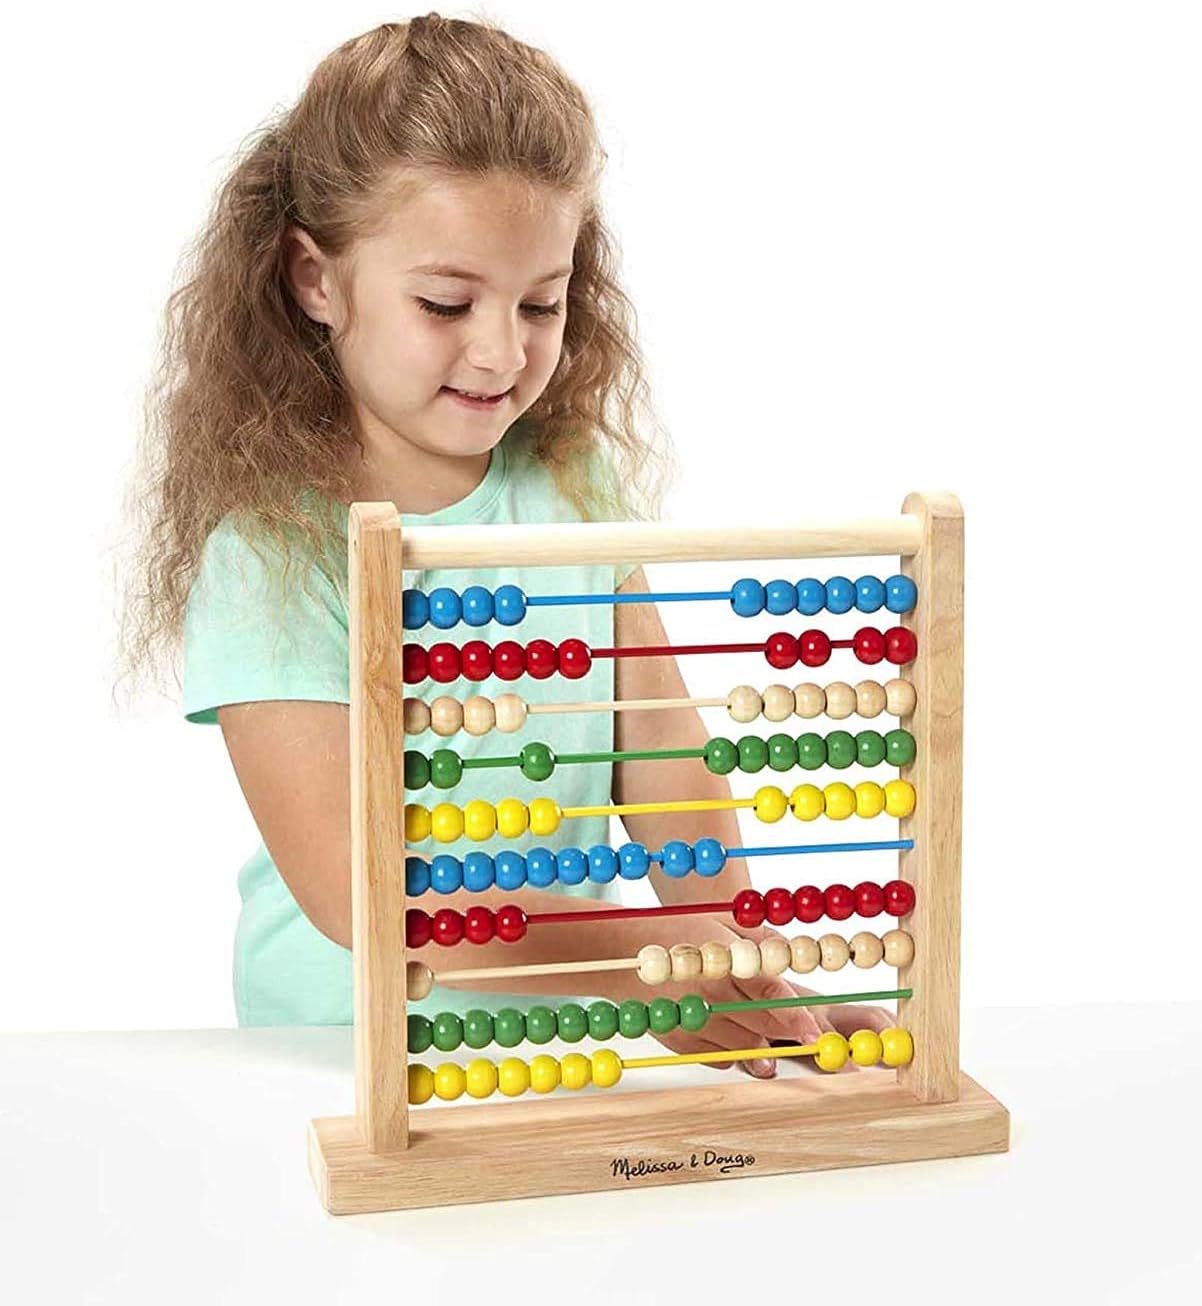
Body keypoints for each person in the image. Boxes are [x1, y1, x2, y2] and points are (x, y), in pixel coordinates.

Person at [117, 14, 892, 1080]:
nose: (501, 350)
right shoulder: (273, 553)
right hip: (338, 1051)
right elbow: (353, 889)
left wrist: (736, 966)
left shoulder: (572, 484)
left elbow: (667, 763)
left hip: (559, 1037)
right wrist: (635, 957)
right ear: (315, 280)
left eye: (541, 302)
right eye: (446, 302)